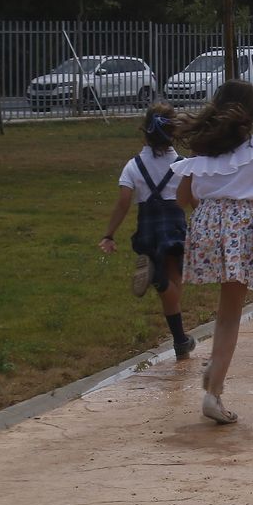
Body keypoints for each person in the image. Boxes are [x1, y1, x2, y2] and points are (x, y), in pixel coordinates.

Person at [173, 80, 253, 424]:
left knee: (223, 308)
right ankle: (214, 392)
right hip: (239, 226)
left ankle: (214, 367)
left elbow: (182, 199)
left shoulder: (200, 150)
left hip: (205, 224)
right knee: (231, 313)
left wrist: (207, 206)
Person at [98, 102, 195, 358]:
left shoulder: (133, 165)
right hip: (173, 224)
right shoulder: (183, 164)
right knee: (173, 284)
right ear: (173, 132)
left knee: (168, 294)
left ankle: (181, 342)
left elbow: (123, 202)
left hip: (147, 227)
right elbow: (194, 200)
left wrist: (109, 234)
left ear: (145, 132)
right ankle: (160, 282)